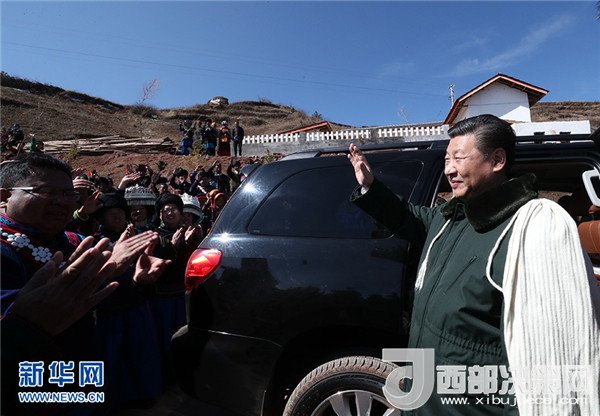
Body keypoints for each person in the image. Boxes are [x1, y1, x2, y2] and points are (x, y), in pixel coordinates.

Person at [348, 114, 599, 415]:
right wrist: (371, 186)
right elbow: (407, 217)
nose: (449, 169)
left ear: (497, 160)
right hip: (427, 398)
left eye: (459, 157)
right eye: (447, 159)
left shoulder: (530, 230)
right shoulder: (450, 218)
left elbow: (551, 353)